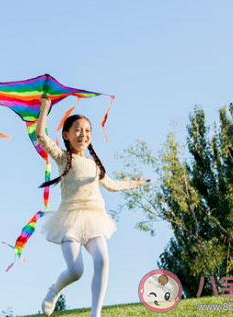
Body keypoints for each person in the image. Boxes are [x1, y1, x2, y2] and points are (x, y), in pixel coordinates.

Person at [36, 97, 149, 317]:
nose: (83, 134)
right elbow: (41, 136)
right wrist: (44, 108)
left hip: (94, 219)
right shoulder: (63, 158)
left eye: (87, 130)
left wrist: (135, 183)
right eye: (77, 130)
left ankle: (95, 314)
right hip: (69, 220)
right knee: (76, 271)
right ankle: (54, 290)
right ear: (66, 135)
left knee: (103, 260)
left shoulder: (94, 165)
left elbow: (112, 185)